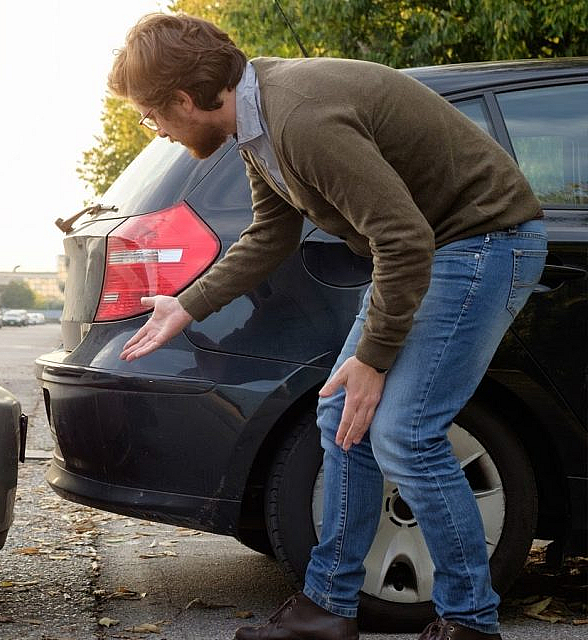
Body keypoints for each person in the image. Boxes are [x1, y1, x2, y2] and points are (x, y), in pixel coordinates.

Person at [110, 13, 546, 640]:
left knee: (405, 434)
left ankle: (469, 622)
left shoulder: (300, 118)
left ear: (183, 99)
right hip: (432, 250)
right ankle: (327, 609)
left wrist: (372, 360)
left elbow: (402, 237)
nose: (159, 130)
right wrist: (187, 304)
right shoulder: (257, 127)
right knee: (342, 416)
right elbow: (271, 233)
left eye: (153, 117)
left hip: (480, 243)